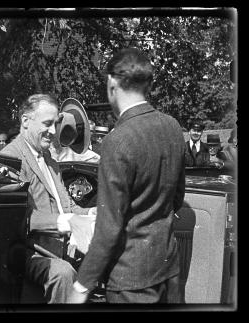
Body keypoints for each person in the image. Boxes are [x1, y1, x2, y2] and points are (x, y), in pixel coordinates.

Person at [69, 48, 185, 304]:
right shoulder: (173, 127)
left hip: (131, 280)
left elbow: (109, 228)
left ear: (112, 83)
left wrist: (82, 285)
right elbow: (176, 199)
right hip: (169, 270)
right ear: (148, 84)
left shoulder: (116, 141)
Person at [2, 94, 96, 303]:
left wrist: (91, 213)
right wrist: (67, 223)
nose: (54, 132)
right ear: (25, 121)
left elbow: (67, 206)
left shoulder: (50, 160)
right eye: (47, 124)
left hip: (57, 247)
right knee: (62, 274)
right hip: (28, 251)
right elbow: (19, 218)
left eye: (55, 124)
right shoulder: (11, 159)